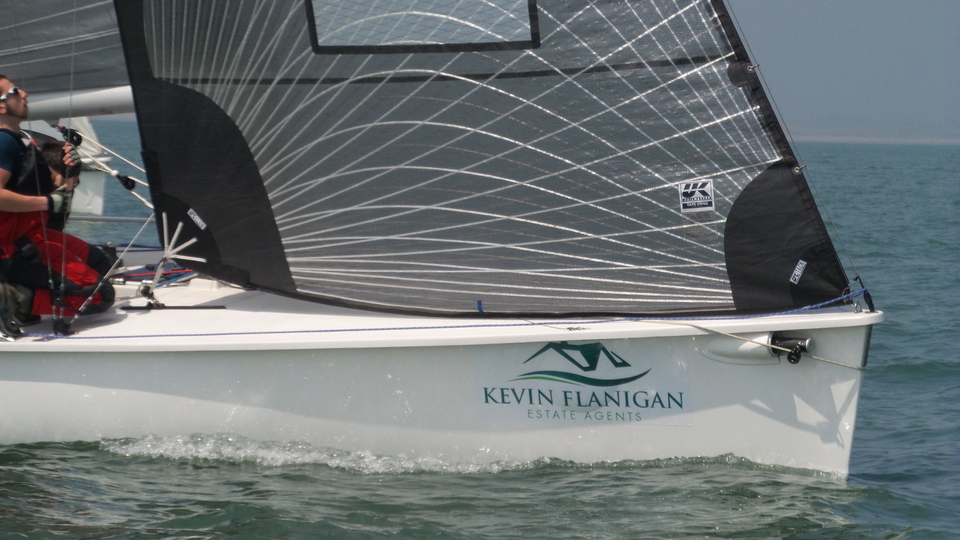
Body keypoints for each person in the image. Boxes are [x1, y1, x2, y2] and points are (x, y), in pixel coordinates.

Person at [0, 74, 114, 332]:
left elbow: (47, 206)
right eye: (15, 91)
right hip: (15, 248)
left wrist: (69, 178)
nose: (25, 94)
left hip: (31, 235)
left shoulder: (17, 141)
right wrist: (47, 202)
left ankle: (25, 298)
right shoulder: (3, 142)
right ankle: (16, 298)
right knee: (101, 296)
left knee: (103, 263)